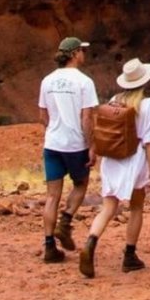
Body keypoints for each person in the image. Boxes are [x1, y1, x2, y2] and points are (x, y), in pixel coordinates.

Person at [79, 58, 150, 278]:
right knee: (136, 207)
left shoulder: (114, 101)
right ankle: (129, 255)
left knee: (108, 207)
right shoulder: (146, 104)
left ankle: (90, 241)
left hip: (112, 160)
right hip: (135, 161)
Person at [39, 36, 98, 263]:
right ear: (74, 54)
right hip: (75, 145)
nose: (84, 54)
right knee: (81, 184)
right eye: (82, 50)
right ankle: (65, 223)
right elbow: (87, 118)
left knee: (52, 195)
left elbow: (42, 116)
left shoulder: (47, 81)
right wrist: (91, 146)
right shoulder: (84, 82)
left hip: (52, 143)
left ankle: (49, 247)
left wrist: (55, 130)